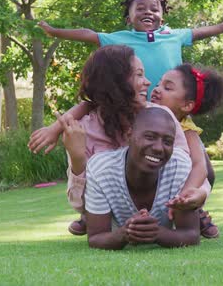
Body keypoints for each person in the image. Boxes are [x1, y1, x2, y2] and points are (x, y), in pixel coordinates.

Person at [50, 45, 208, 236]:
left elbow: (184, 168)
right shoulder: (85, 131)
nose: (148, 82)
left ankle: (199, 217)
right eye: (139, 75)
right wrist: (77, 159)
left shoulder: (160, 116)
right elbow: (80, 205)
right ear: (115, 81)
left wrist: (199, 195)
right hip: (114, 227)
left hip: (167, 218)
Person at [37, 0, 223, 95]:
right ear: (128, 19)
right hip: (136, 105)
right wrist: (55, 31)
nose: (147, 12)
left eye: (154, 9)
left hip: (172, 104)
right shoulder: (119, 38)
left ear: (162, 17)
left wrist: (221, 27)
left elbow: (200, 32)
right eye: (140, 9)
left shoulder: (174, 35)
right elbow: (87, 34)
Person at [84, 107, 200, 250]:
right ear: (129, 134)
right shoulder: (100, 168)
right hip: (116, 226)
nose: (159, 148)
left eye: (168, 141)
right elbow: (95, 238)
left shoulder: (179, 165)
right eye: (150, 137)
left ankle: (202, 217)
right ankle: (87, 217)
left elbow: (192, 234)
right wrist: (124, 234)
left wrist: (157, 233)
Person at [151, 63, 223, 238]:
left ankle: (194, 210)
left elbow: (200, 166)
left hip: (171, 185)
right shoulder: (143, 115)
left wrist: (184, 196)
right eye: (158, 84)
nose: (157, 89)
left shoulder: (186, 129)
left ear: (187, 106)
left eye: (167, 87)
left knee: (194, 182)